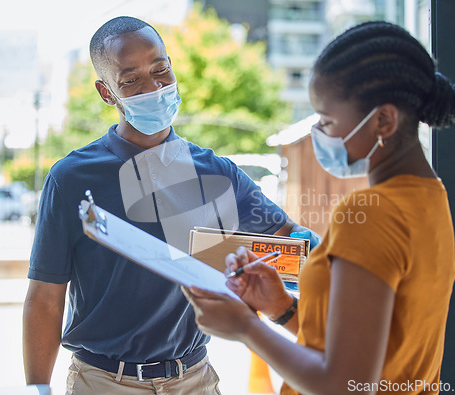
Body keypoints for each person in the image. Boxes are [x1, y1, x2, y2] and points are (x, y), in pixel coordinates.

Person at [22, 16, 317, 394]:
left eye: (161, 70)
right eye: (131, 80)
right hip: (103, 382)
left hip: (194, 380)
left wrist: (341, 259)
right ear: (106, 91)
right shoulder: (72, 178)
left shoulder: (217, 173)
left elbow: (295, 249)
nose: (154, 87)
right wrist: (36, 388)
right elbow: (46, 297)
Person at [183, 21, 455, 395]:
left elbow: (344, 384)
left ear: (383, 119)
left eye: (328, 121)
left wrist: (245, 329)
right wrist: (282, 309)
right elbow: (370, 352)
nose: (319, 133)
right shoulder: (432, 196)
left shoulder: (373, 212)